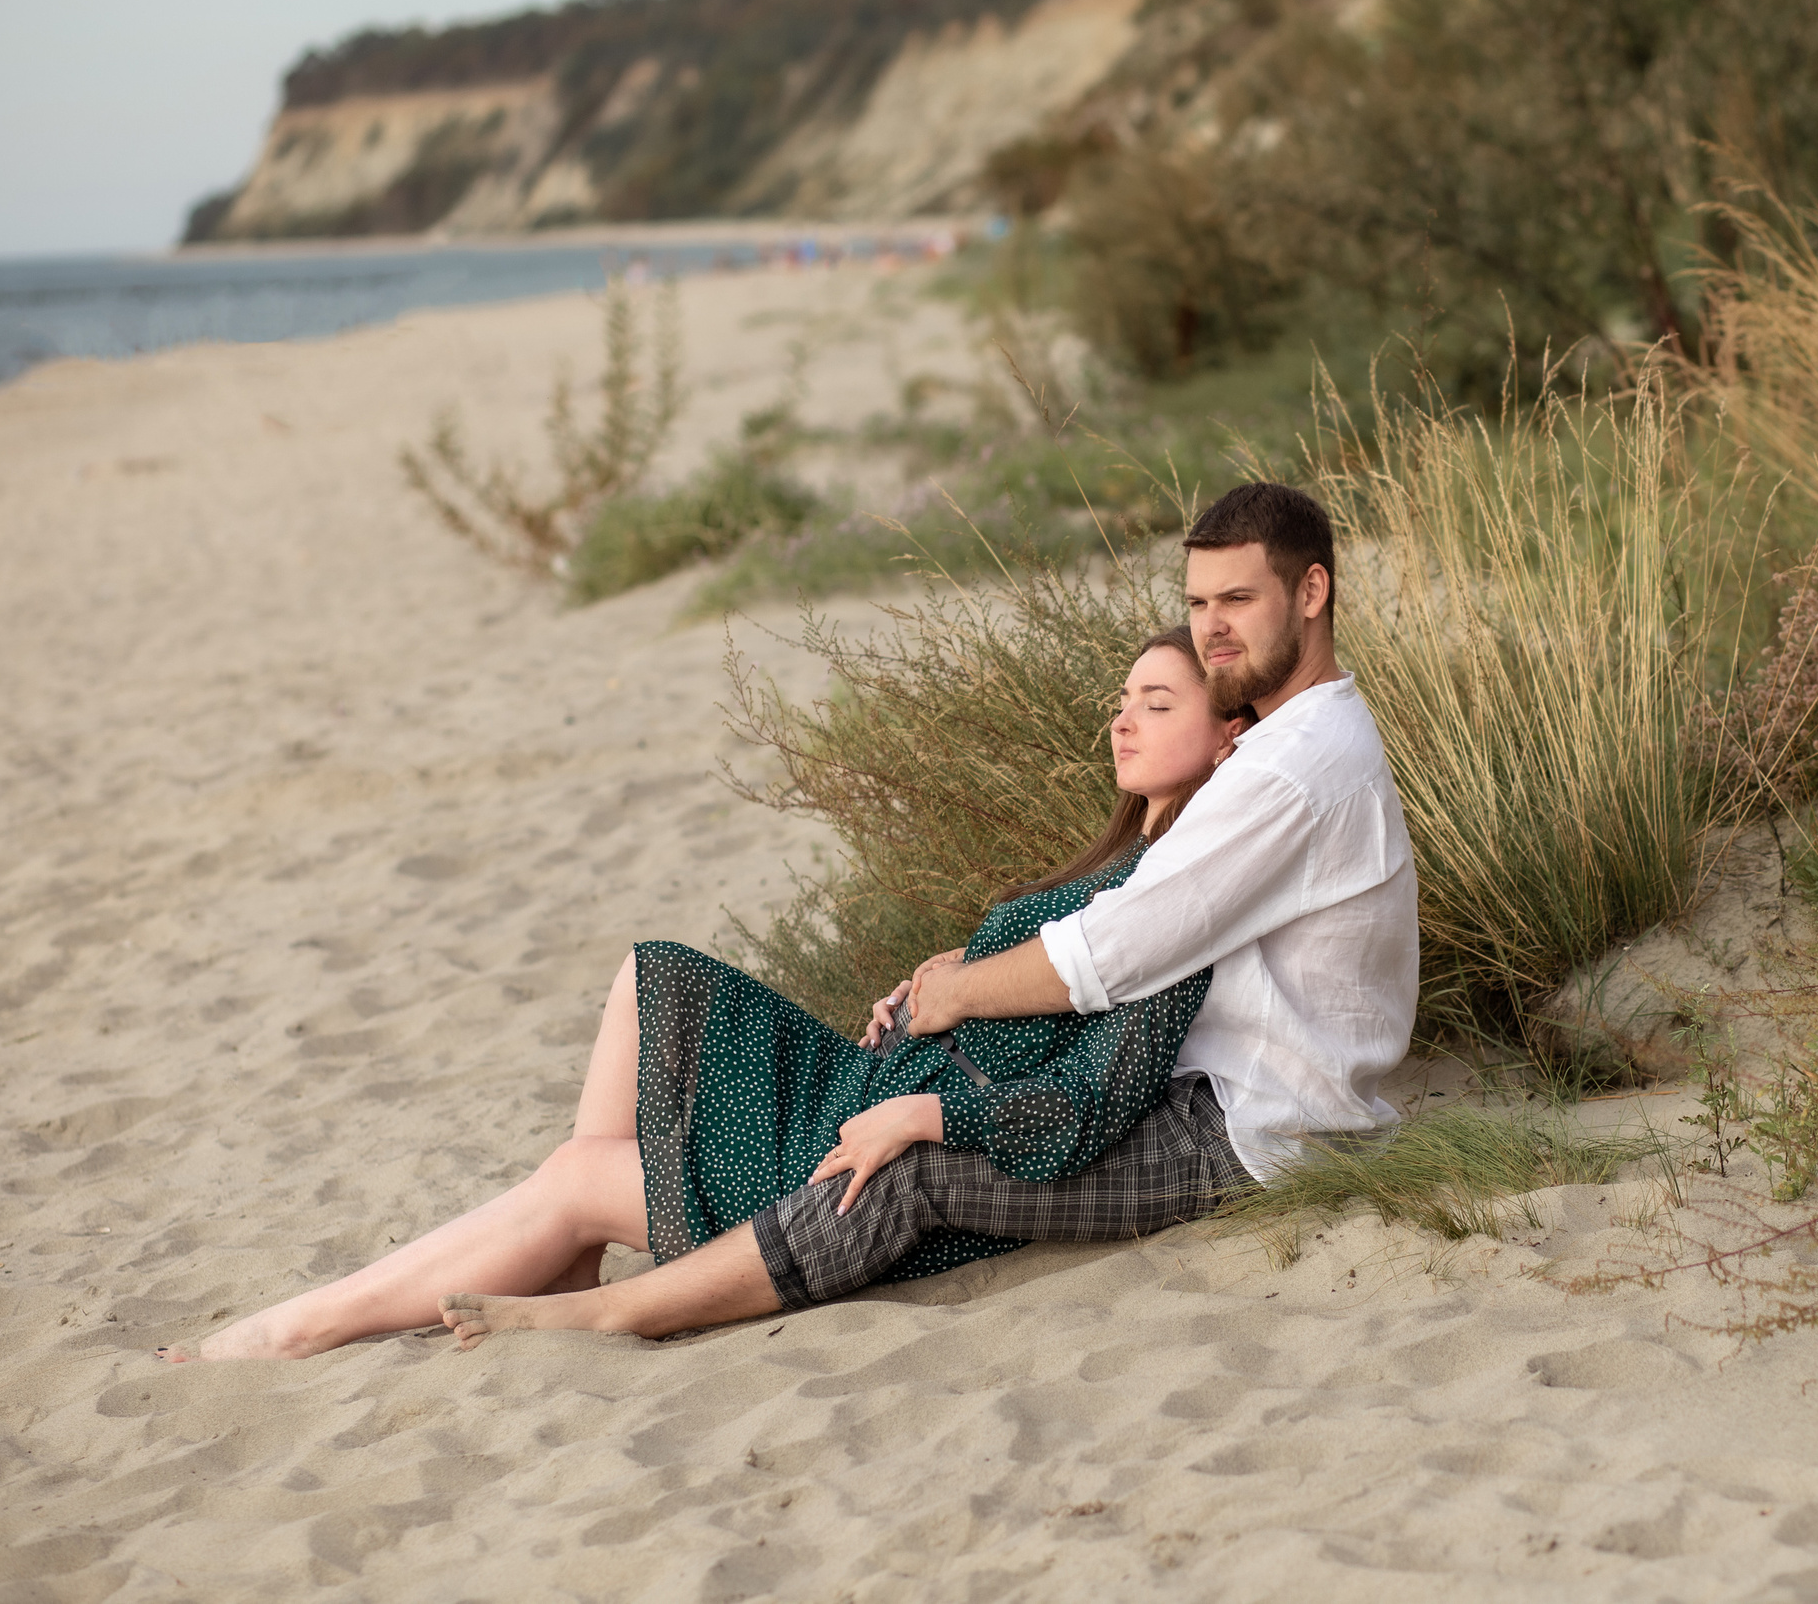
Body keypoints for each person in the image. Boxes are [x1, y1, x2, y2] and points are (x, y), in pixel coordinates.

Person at [434, 480, 1419, 1349]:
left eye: (1237, 601)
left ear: (1312, 592)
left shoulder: (1289, 772)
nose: (1212, 628)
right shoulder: (1297, 740)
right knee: (899, 1122)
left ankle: (616, 1310)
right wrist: (968, 973)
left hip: (1258, 1137)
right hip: (1232, 1089)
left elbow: (1111, 954)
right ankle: (626, 1250)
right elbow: (1133, 926)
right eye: (1198, 603)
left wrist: (954, 998)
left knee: (909, 1169)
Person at [160, 623, 1243, 1361]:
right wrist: (926, 996)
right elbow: (1024, 995)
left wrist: (927, 1103)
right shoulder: (1115, 860)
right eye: (1121, 701)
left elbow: (1088, 1103)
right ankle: (565, 1260)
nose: (1121, 720)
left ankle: (305, 1328)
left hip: (892, 1146)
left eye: (1156, 702)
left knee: (581, 1175)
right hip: (872, 1077)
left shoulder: (1182, 896)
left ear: (1231, 733)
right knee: (653, 976)